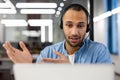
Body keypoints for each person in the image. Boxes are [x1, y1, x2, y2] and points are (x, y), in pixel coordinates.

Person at [3, 4, 112, 64]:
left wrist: (71, 72)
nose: (74, 32)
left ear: (87, 28)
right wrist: (27, 69)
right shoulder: (48, 53)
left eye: (80, 25)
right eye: (69, 25)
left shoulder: (99, 51)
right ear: (62, 26)